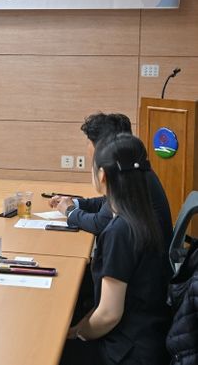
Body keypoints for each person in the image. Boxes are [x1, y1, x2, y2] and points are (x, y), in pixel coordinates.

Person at [64, 133, 171, 365]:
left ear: (102, 176)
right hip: (149, 337)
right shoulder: (144, 217)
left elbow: (108, 315)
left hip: (126, 352)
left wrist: (78, 333)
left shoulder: (120, 232)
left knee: (48, 349)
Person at [49, 113, 172, 247]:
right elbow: (106, 202)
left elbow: (99, 223)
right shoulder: (133, 169)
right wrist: (75, 203)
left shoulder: (129, 177)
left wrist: (70, 211)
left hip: (144, 255)